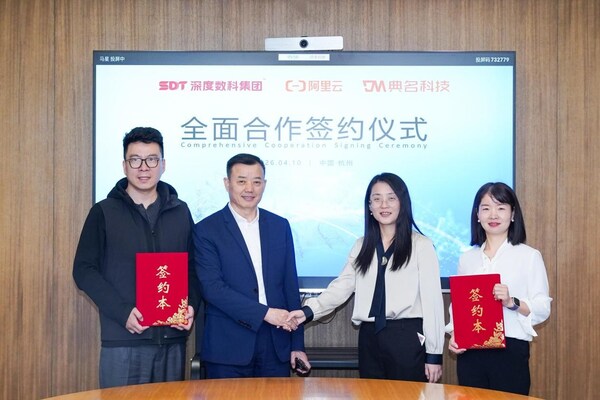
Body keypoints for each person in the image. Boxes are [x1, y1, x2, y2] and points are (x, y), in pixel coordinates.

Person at [73, 127, 200, 388]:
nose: (144, 167)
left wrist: (191, 305)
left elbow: (194, 268)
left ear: (163, 165)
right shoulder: (104, 212)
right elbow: (83, 270)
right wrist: (122, 313)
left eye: (152, 159)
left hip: (172, 341)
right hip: (124, 340)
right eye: (135, 160)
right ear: (124, 165)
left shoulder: (181, 211)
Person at [288, 172, 445, 383]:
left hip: (406, 336)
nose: (384, 205)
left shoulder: (421, 246)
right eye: (376, 199)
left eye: (391, 198)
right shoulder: (362, 245)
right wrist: (308, 312)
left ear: (403, 203)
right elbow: (342, 287)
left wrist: (434, 354)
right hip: (369, 337)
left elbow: (432, 302)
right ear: (369, 206)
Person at [193, 153, 310, 379]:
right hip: (228, 346)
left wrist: (297, 345)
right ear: (227, 183)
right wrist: (265, 313)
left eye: (256, 182)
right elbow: (213, 289)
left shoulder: (279, 226)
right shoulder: (206, 230)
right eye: (241, 181)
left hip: (276, 342)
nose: (249, 188)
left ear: (264, 184)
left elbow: (290, 285)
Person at [446, 182, 551, 395]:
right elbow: (458, 306)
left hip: (510, 352)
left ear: (513, 214)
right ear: (477, 215)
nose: (493, 215)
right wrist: (456, 334)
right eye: (486, 208)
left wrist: (512, 302)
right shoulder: (467, 258)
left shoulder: (529, 256)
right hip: (471, 352)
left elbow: (543, 307)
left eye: (501, 208)